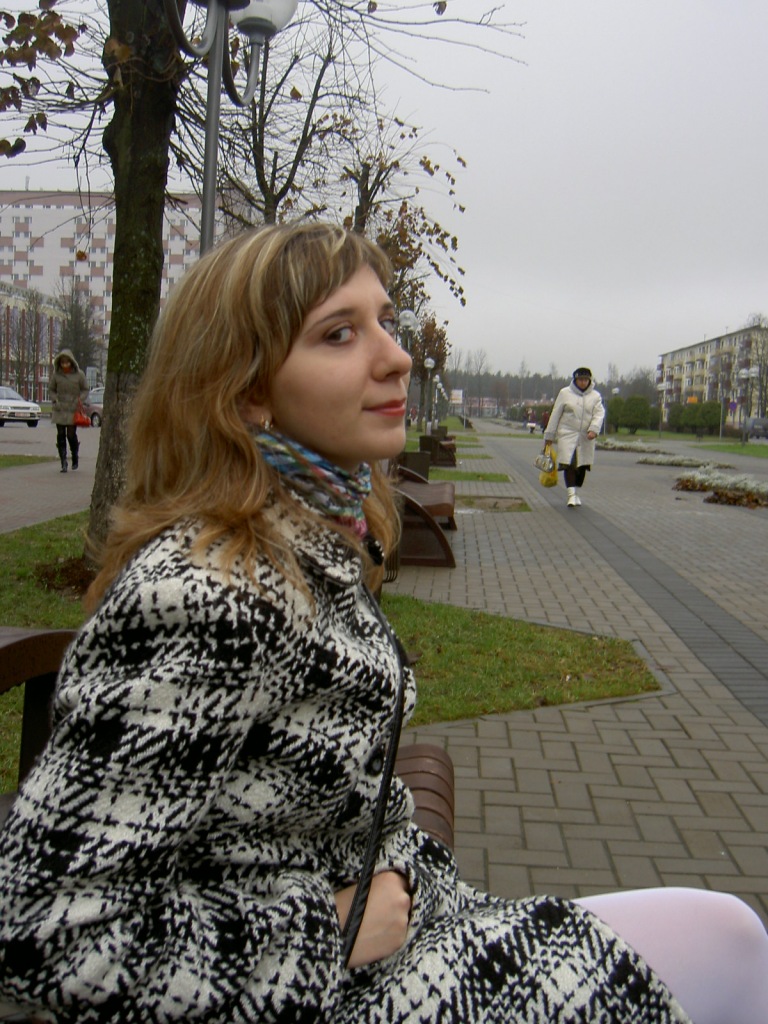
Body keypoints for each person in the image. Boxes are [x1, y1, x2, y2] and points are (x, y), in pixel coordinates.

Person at [0, 223, 766, 1024]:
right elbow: (44, 932)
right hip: (332, 991)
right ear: (247, 389)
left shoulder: (309, 538)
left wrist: (403, 886)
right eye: (339, 333)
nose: (396, 356)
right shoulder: (206, 597)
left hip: (405, 929)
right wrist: (328, 930)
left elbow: (333, 802)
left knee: (729, 934)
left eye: (384, 321)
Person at [544, 366, 604, 508]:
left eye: (585, 380)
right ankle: (571, 494)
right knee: (569, 464)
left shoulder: (595, 396)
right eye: (580, 380)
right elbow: (556, 414)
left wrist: (594, 429)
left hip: (585, 436)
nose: (583, 382)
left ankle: (576, 491)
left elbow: (599, 414)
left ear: (589, 381)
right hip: (567, 434)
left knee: (581, 467)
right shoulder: (565, 393)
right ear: (575, 380)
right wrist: (549, 435)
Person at [49, 348, 89, 473]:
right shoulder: (56, 375)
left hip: (73, 408)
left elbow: (85, 389)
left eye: (67, 362)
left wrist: (80, 400)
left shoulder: (79, 374)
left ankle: (75, 455)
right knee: (60, 434)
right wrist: (55, 399)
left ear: (71, 362)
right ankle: (63, 461)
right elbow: (51, 389)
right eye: (62, 363)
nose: (65, 365)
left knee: (71, 435)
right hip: (60, 408)